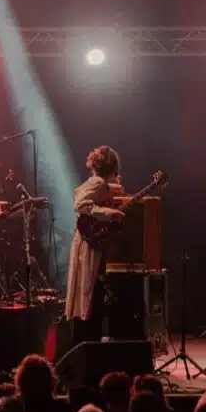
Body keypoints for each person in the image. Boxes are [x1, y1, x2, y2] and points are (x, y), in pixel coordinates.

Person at [65, 146, 124, 345]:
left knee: (89, 292)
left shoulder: (99, 183)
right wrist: (109, 213)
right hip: (88, 246)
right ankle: (88, 341)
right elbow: (80, 204)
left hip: (87, 243)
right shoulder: (98, 182)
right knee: (90, 292)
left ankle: (85, 340)